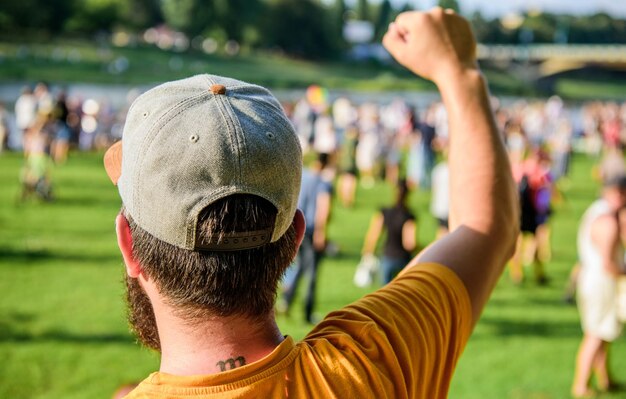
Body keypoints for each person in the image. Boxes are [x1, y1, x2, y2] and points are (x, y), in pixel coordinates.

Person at [104, 8, 518, 398]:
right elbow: (486, 226)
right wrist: (458, 73)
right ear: (295, 237)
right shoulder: (369, 366)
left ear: (129, 244)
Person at [571, 176, 626, 398]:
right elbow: (608, 263)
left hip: (593, 279)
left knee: (603, 332)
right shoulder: (607, 221)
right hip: (600, 282)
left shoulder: (596, 211)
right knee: (595, 334)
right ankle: (581, 385)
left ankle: (605, 378)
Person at [280, 152, 333, 324]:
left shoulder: (303, 178)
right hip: (311, 230)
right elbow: (323, 208)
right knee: (312, 273)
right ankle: (308, 312)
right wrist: (321, 232)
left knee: (300, 267)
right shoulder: (323, 184)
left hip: (296, 227)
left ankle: (286, 300)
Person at [362, 178, 417, 284]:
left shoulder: (385, 212)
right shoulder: (408, 216)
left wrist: (368, 250)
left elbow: (374, 234)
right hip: (403, 260)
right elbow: (409, 243)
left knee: (385, 293)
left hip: (387, 256)